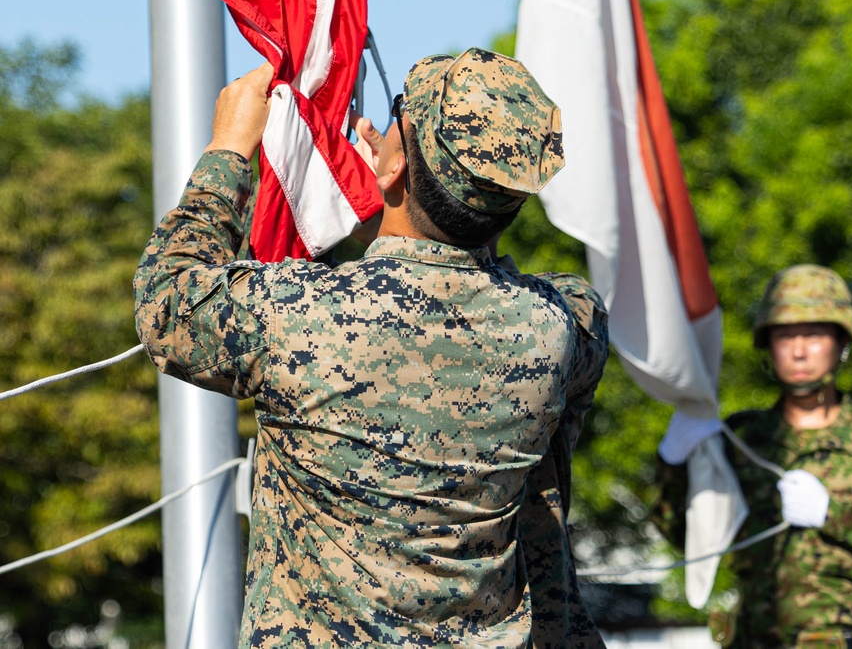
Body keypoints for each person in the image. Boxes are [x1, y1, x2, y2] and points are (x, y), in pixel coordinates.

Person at [134, 48, 608, 648]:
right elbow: (472, 292)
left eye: (394, 119)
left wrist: (227, 150)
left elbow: (168, 300)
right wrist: (395, 224)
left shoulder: (299, 317)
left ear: (392, 168)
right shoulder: (566, 326)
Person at [652, 265, 852, 649]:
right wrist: (673, 460)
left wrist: (831, 514)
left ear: (842, 343)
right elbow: (684, 534)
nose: (799, 349)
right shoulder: (740, 438)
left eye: (814, 334)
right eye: (785, 335)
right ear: (768, 345)